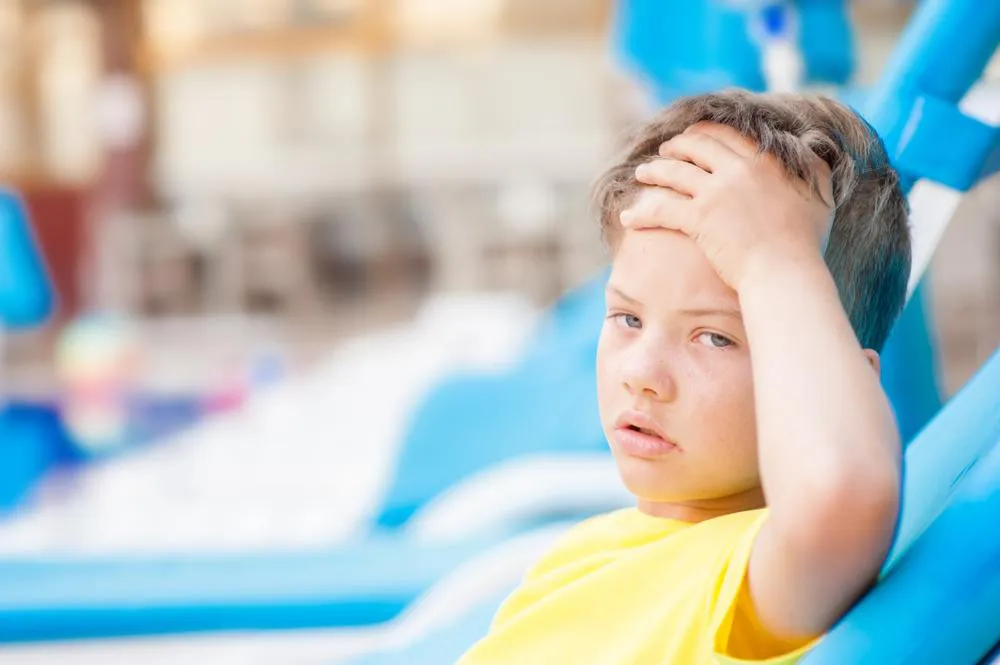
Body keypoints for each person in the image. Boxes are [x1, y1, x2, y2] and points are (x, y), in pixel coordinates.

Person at [457, 89, 910, 664]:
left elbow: (843, 493)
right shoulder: (589, 551)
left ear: (844, 374)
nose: (641, 374)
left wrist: (776, 257)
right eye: (628, 317)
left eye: (715, 337)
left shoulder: (749, 587)